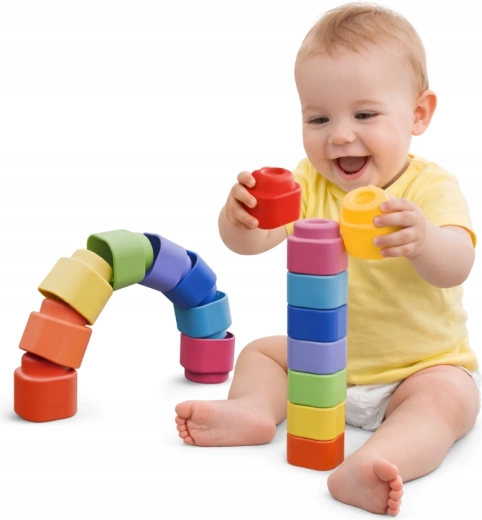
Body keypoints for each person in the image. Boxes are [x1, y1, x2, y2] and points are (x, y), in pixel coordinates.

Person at [174, 3, 481, 516]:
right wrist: (240, 219)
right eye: (319, 118)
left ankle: (378, 460)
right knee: (261, 353)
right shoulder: (308, 182)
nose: (339, 135)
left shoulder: (429, 188)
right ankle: (253, 410)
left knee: (451, 397)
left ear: (418, 114)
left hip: (416, 370)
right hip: (321, 366)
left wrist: (424, 239)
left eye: (364, 115)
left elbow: (460, 262)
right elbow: (251, 244)